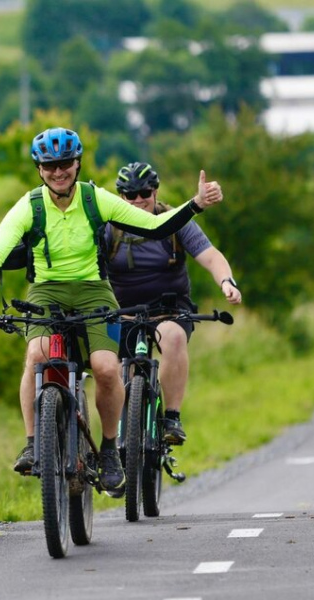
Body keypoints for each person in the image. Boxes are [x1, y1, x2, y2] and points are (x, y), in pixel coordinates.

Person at [0, 128, 223, 495]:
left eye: (65, 164)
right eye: (50, 166)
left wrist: (194, 204)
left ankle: (109, 450)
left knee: (104, 367)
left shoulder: (94, 199)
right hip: (46, 289)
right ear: (39, 169)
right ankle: (32, 442)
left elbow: (154, 226)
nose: (59, 172)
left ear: (77, 163)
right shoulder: (30, 206)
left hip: (94, 290)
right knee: (36, 355)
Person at [106, 161, 241, 445]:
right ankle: (122, 442)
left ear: (155, 191)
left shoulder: (176, 220)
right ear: (121, 197)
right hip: (124, 311)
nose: (138, 200)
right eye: (130, 195)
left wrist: (226, 282)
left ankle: (171, 418)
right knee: (122, 369)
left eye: (144, 192)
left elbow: (211, 256)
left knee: (174, 338)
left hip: (169, 309)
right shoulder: (109, 228)